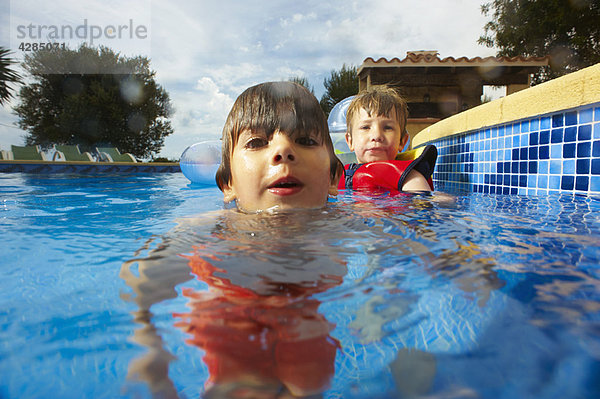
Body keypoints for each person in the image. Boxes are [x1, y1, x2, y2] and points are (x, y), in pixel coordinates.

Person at [216, 81, 344, 213]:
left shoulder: (356, 223)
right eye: (256, 143)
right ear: (227, 185)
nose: (283, 149)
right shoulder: (204, 228)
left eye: (306, 141)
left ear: (333, 178)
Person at [340, 85, 437, 192]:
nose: (376, 136)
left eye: (387, 128)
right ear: (350, 141)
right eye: (365, 127)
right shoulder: (341, 176)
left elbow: (423, 203)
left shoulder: (408, 178)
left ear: (402, 141)